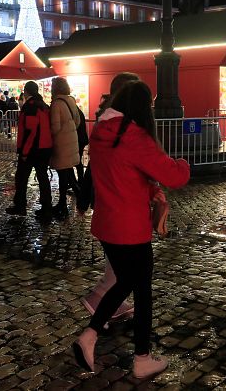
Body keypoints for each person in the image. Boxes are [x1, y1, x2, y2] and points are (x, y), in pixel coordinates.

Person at [72, 80, 190, 378]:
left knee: (124, 282)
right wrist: (183, 163)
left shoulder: (101, 131)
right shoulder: (135, 137)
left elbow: (120, 173)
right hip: (131, 228)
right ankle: (141, 358)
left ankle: (90, 336)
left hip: (107, 224)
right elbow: (173, 176)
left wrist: (149, 190)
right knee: (142, 290)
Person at [80, 72, 141, 320]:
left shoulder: (107, 119)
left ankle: (111, 303)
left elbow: (95, 164)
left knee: (117, 261)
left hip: (110, 198)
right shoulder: (118, 124)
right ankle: (99, 302)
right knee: (123, 264)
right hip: (117, 200)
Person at [5, 81, 53, 219]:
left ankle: (20, 206)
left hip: (33, 149)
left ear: (26, 92)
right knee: (43, 178)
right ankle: (46, 207)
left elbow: (30, 132)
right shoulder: (44, 106)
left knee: (21, 178)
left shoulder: (30, 107)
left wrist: (24, 152)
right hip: (45, 147)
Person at [49, 77, 81, 219]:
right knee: (67, 173)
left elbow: (54, 128)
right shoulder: (71, 101)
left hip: (61, 144)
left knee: (63, 174)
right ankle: (72, 200)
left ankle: (64, 204)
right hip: (72, 142)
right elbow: (78, 121)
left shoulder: (56, 104)